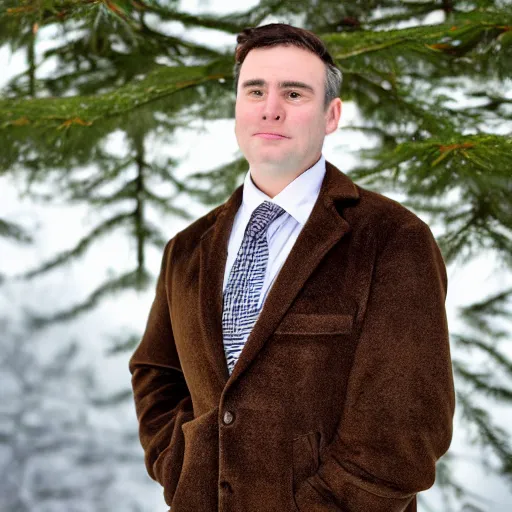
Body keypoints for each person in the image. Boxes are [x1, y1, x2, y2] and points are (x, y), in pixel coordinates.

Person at [129, 23, 455, 512]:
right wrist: (182, 471)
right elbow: (155, 371)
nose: (270, 107)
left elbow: (406, 428)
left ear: (331, 115)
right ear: (238, 106)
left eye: (294, 92)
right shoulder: (187, 248)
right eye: (254, 90)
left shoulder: (393, 239)